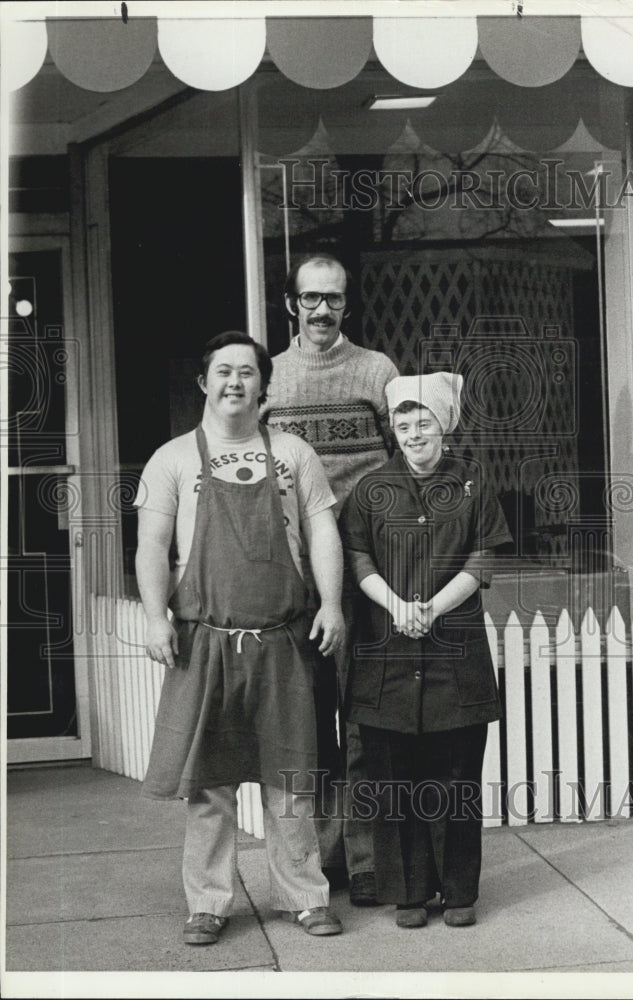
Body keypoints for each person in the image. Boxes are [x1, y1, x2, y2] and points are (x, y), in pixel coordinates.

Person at [135, 331, 346, 944]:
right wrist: (155, 616)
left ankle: (305, 897)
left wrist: (331, 604)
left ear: (263, 385)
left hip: (283, 641)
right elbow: (151, 544)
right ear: (204, 383)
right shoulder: (171, 458)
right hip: (205, 641)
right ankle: (208, 903)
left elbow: (323, 533)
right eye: (223, 372)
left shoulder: (294, 455)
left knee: (292, 779)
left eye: (247, 372)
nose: (235, 382)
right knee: (208, 784)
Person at [339, 372, 512, 929]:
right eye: (403, 423)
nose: (413, 433)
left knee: (456, 777)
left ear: (445, 424)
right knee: (395, 779)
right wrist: (395, 605)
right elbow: (358, 559)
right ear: (392, 429)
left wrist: (433, 608)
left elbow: (484, 557)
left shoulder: (473, 481)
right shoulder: (370, 490)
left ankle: (459, 893)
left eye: (424, 421)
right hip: (387, 650)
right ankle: (410, 893)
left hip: (454, 651)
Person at [264, 252, 399, 906]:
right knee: (310, 722)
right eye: (311, 298)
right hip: (294, 581)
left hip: (366, 576)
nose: (322, 310)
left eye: (334, 299)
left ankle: (367, 859)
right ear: (290, 304)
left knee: (365, 717)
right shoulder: (269, 379)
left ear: (347, 304)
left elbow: (408, 469)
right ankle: (321, 860)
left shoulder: (376, 372)